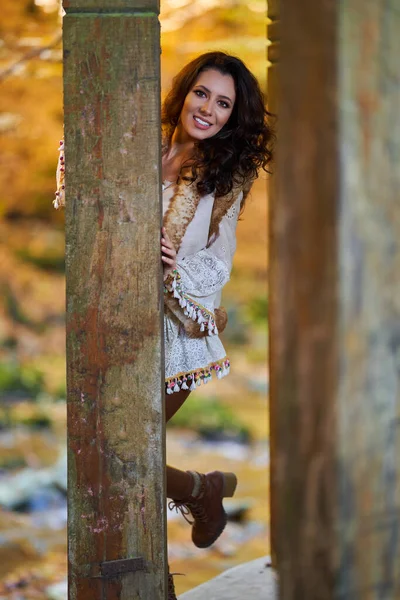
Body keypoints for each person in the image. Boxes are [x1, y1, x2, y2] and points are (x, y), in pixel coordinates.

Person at [55, 51, 273, 599]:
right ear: (184, 92)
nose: (209, 109)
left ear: (233, 115)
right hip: (116, 320)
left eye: (224, 103)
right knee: (103, 453)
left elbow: (221, 259)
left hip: (177, 335)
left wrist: (175, 262)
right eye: (202, 93)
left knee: (125, 457)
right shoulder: (140, 143)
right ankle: (203, 489)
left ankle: (157, 578)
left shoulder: (226, 177)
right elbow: (90, 196)